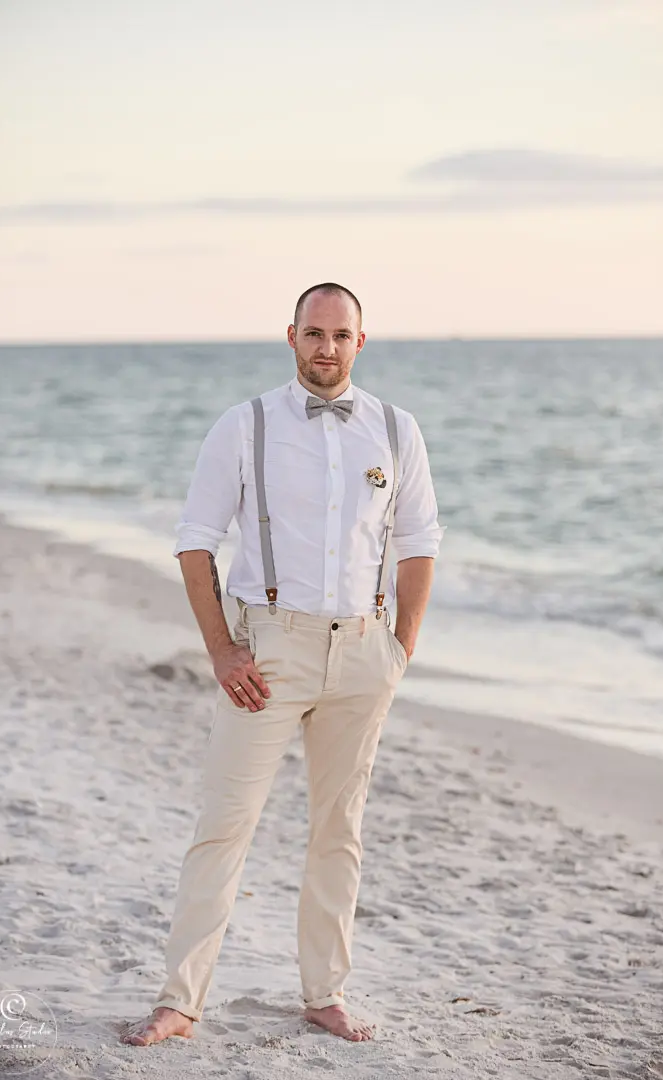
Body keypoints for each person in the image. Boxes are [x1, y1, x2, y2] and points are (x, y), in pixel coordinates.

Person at [123, 283, 444, 1046]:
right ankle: (180, 1001)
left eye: (340, 334)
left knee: (341, 829)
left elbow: (419, 542)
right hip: (269, 648)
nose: (326, 347)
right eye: (313, 333)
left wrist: (400, 648)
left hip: (363, 652)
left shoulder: (396, 431)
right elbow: (194, 540)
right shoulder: (246, 426)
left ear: (361, 342)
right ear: (290, 337)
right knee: (224, 825)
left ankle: (325, 993)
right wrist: (222, 648)